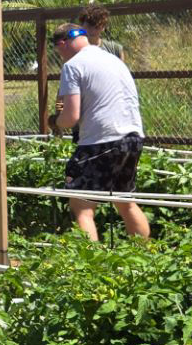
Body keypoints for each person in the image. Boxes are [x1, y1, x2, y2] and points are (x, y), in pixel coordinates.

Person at [50, 24, 150, 241]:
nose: (60, 55)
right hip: (132, 137)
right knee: (126, 202)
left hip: (101, 141)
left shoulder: (73, 65)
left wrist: (55, 121)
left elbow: (71, 117)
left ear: (62, 44)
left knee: (82, 205)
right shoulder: (112, 59)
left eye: (58, 50)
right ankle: (145, 259)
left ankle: (90, 268)